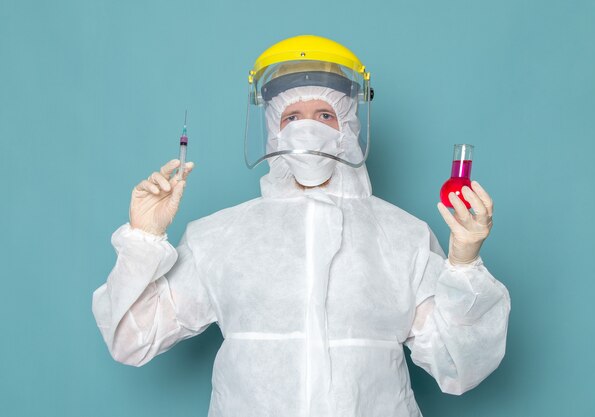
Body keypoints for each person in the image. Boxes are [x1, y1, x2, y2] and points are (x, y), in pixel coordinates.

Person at [92, 35, 511, 417]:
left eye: (325, 114)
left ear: (349, 126)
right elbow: (131, 338)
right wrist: (143, 238)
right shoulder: (219, 237)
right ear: (273, 132)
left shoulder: (403, 236)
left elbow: (458, 363)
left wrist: (464, 265)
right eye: (291, 117)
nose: (307, 127)